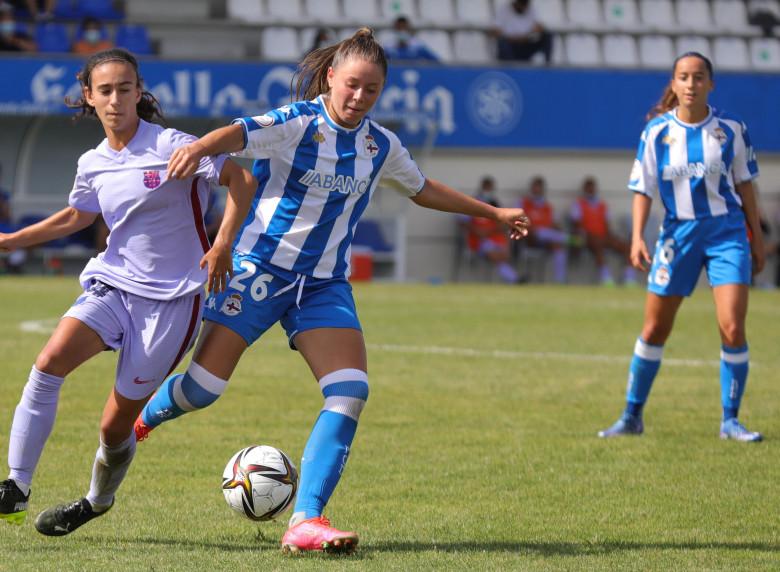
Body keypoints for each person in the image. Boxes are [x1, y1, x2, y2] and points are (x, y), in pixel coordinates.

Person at [132, 28, 530, 554]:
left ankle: (306, 521)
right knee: (202, 390)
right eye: (352, 85)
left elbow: (422, 188)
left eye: (371, 90)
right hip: (259, 272)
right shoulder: (297, 122)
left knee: (350, 392)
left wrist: (494, 212)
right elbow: (238, 131)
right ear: (329, 79)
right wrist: (199, 149)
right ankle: (138, 421)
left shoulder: (379, 144)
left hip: (323, 285)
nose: (359, 97)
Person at [0, 48, 257, 534]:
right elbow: (78, 215)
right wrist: (8, 239)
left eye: (125, 89)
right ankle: (14, 486)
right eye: (105, 91)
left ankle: (96, 502)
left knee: (113, 429)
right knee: (48, 360)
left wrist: (223, 243)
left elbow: (240, 179)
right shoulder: (93, 162)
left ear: (139, 93)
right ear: (88, 97)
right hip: (113, 283)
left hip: (172, 300)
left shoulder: (170, 144)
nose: (116, 99)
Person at [598, 52, 765, 442]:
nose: (691, 84)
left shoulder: (731, 129)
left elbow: (745, 186)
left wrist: (756, 237)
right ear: (674, 84)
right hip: (677, 236)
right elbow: (644, 187)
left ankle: (730, 421)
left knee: (732, 325)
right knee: (655, 327)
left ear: (711, 84)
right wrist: (638, 236)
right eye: (684, 77)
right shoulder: (657, 132)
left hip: (727, 234)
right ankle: (632, 417)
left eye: (699, 77)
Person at [568, 176, 637, 287]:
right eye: (588, 188)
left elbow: (606, 224)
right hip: (588, 237)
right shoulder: (578, 204)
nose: (590, 190)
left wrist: (610, 236)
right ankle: (606, 278)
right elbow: (576, 223)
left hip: (603, 236)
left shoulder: (602, 205)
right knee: (597, 245)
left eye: (592, 187)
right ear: (584, 189)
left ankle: (629, 279)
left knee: (625, 246)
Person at [457, 176, 522, 284]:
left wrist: (489, 230)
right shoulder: (473, 202)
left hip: (495, 238)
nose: (488, 190)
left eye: (490, 188)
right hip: (479, 240)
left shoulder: (496, 203)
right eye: (486, 187)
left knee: (504, 254)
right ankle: (514, 279)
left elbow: (504, 221)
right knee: (494, 253)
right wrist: (476, 230)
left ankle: (513, 279)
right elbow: (462, 221)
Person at [517, 175, 568, 283]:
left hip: (545, 240)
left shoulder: (547, 206)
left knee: (557, 247)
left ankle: (560, 281)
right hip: (529, 237)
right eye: (534, 187)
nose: (536, 190)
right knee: (537, 231)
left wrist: (555, 230)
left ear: (543, 190)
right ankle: (567, 239)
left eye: (539, 187)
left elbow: (555, 224)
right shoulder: (523, 202)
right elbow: (515, 220)